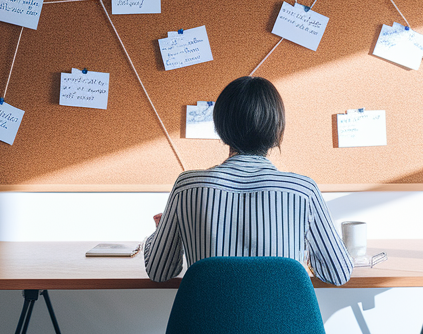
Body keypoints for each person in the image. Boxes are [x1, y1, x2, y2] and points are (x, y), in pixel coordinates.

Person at [143, 76, 354, 286]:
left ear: (220, 127)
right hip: (281, 319)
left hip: (208, 319)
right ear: (277, 130)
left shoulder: (187, 186)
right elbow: (339, 273)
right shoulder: (302, 191)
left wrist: (161, 233)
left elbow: (159, 271)